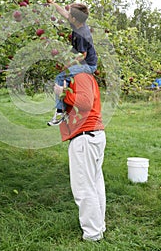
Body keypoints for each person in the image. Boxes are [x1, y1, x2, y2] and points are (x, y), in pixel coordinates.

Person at [54, 72, 106, 242]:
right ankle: (98, 226)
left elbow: (84, 102)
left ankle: (92, 234)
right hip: (92, 135)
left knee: (83, 188)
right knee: (95, 184)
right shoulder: (85, 75)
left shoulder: (81, 75)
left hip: (84, 138)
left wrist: (62, 93)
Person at [42, 0, 98, 126]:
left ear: (74, 18)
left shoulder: (82, 34)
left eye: (70, 13)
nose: (68, 14)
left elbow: (82, 55)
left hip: (88, 65)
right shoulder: (76, 23)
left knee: (60, 78)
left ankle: (60, 112)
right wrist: (50, 1)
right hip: (83, 61)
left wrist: (68, 65)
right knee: (66, 81)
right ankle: (67, 109)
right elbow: (63, 12)